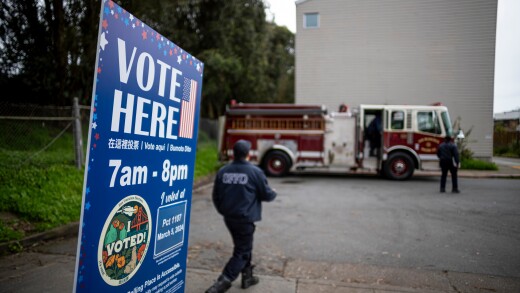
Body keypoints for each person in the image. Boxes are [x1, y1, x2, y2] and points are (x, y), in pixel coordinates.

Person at [206, 140, 277, 293]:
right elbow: (267, 194)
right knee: (242, 252)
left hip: (229, 218)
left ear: (234, 153)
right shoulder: (255, 172)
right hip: (245, 219)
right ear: (248, 154)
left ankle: (248, 277)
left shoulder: (223, 171)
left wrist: (224, 210)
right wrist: (274, 193)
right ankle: (221, 284)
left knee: (243, 246)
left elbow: (216, 196)